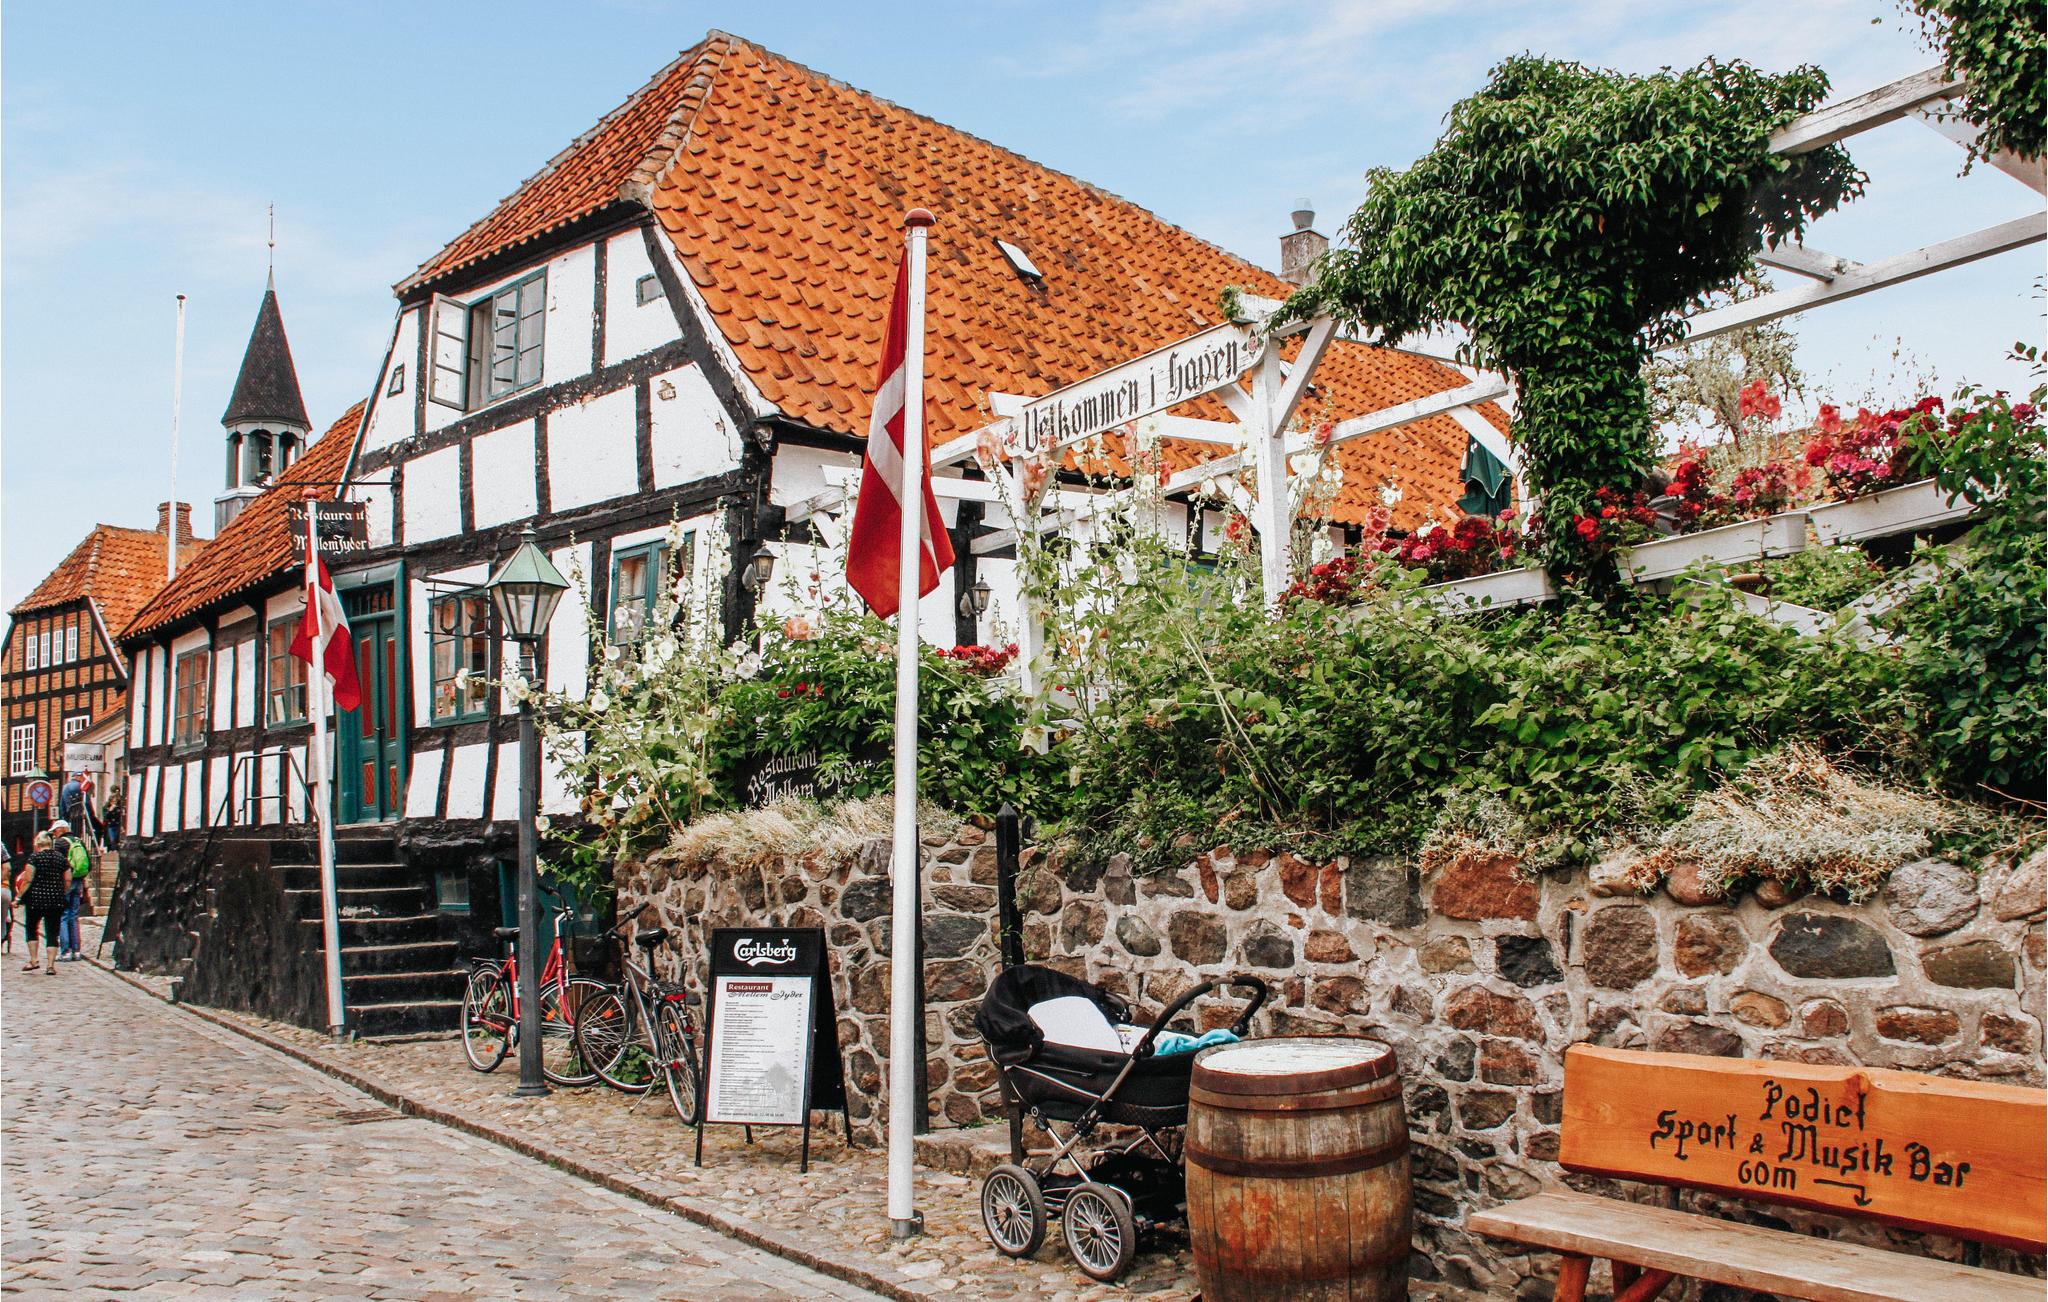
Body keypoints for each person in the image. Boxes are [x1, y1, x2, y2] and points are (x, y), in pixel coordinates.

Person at [18, 832, 69, 975]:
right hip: (55, 900)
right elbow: (68, 879)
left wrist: (19, 897)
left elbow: (28, 879)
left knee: (31, 928)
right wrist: (62, 891)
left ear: (38, 843)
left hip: (35, 899)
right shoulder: (61, 858)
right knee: (52, 931)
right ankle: (50, 965)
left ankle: (34, 960)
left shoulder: (34, 858)